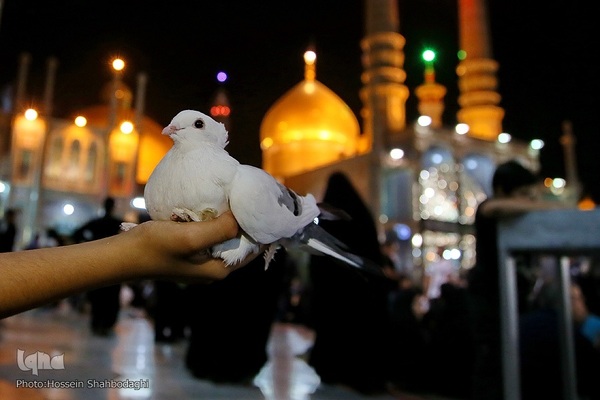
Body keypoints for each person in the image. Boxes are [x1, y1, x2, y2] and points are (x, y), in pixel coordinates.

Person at [0, 211, 256, 319]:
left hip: (101, 272)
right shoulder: (112, 223)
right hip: (105, 271)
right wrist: (137, 252)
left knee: (103, 302)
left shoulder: (97, 221)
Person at [467, 160, 568, 400]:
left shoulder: (519, 217)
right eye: (523, 194)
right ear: (502, 190)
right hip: (490, 301)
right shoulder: (489, 209)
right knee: (492, 365)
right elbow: (493, 208)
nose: (529, 202)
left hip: (515, 302)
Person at [307, 172, 394, 395]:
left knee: (337, 336)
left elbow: (318, 257)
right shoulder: (362, 218)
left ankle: (337, 371)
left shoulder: (328, 219)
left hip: (335, 297)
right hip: (364, 295)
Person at [71, 197, 125, 335]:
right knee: (110, 297)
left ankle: (97, 323)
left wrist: (88, 245)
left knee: (97, 296)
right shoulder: (117, 224)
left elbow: (76, 233)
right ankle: (106, 324)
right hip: (114, 265)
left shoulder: (96, 223)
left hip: (98, 263)